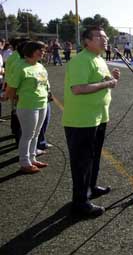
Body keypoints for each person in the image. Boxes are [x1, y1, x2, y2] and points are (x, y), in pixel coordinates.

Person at [63, 26, 121, 217]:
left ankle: (91, 187)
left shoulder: (99, 59)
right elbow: (78, 88)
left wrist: (111, 78)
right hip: (81, 120)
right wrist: (107, 83)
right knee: (82, 163)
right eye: (100, 37)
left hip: (98, 116)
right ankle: (80, 203)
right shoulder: (81, 60)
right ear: (87, 41)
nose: (105, 39)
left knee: (94, 157)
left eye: (105, 37)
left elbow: (102, 81)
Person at [5, 41, 50, 174]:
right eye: (40, 50)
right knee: (27, 135)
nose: (43, 52)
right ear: (31, 51)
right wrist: (15, 102)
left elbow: (45, 84)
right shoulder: (21, 67)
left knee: (36, 133)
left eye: (43, 50)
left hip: (42, 103)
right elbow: (11, 89)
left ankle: (33, 158)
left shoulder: (40, 66)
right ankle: (25, 163)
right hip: (28, 106)